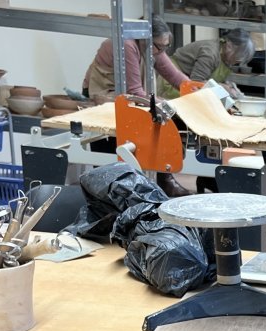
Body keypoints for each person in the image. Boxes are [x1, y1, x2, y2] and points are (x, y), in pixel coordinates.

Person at [82, 16, 192, 196]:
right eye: (159, 47)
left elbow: (175, 77)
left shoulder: (151, 45)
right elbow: (135, 91)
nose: (161, 52)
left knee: (159, 112)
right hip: (105, 94)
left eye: (165, 47)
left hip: (126, 94)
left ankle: (163, 180)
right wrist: (167, 105)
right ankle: (111, 192)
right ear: (146, 39)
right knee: (112, 146)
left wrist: (197, 91)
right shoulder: (127, 45)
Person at [158, 28, 257, 99]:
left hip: (189, 84)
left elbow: (211, 80)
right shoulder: (210, 53)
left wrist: (230, 87)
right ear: (229, 46)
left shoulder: (226, 57)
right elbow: (196, 82)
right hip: (173, 81)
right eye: (237, 59)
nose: (236, 63)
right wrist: (223, 88)